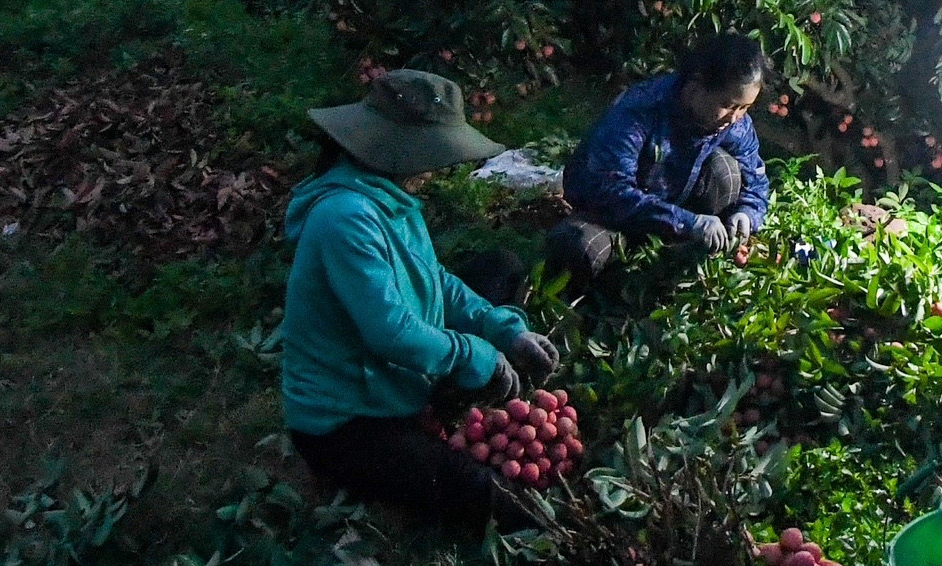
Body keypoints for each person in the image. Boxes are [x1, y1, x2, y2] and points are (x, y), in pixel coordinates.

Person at [281, 69, 562, 531]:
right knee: (481, 494)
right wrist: (478, 355)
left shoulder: (387, 196)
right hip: (347, 421)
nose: (435, 169)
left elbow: (436, 281)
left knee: (500, 269)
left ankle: (442, 392)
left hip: (397, 376)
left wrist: (504, 331)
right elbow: (390, 332)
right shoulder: (345, 217)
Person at [546, 33, 772, 285]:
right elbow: (612, 192)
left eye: (744, 108)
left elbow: (755, 178)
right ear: (696, 85)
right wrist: (687, 223)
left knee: (727, 172)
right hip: (611, 216)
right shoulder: (639, 112)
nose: (734, 117)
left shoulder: (733, 124)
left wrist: (748, 212)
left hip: (678, 213)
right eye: (728, 105)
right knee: (577, 245)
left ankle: (686, 261)